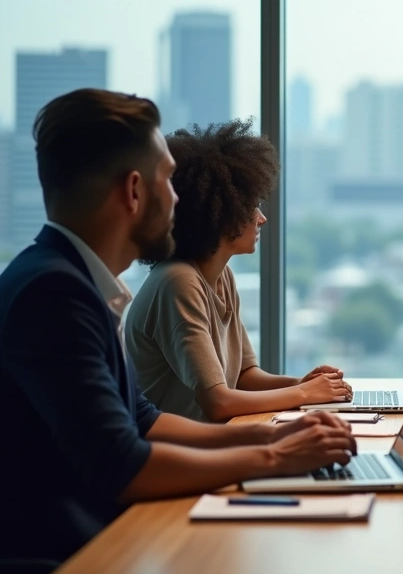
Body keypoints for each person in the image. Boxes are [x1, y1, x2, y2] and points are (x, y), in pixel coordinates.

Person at [0, 89, 357, 566]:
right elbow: (124, 466)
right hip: (75, 556)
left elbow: (145, 422)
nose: (177, 197)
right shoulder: (55, 294)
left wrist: (274, 437)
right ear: (133, 191)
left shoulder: (69, 281)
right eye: (168, 179)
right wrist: (277, 459)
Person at [124, 119, 351, 422]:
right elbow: (218, 401)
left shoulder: (221, 276)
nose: (262, 219)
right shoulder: (178, 283)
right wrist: (304, 395)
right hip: (182, 457)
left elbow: (244, 376)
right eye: (252, 206)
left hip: (210, 445)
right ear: (219, 213)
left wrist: (302, 384)